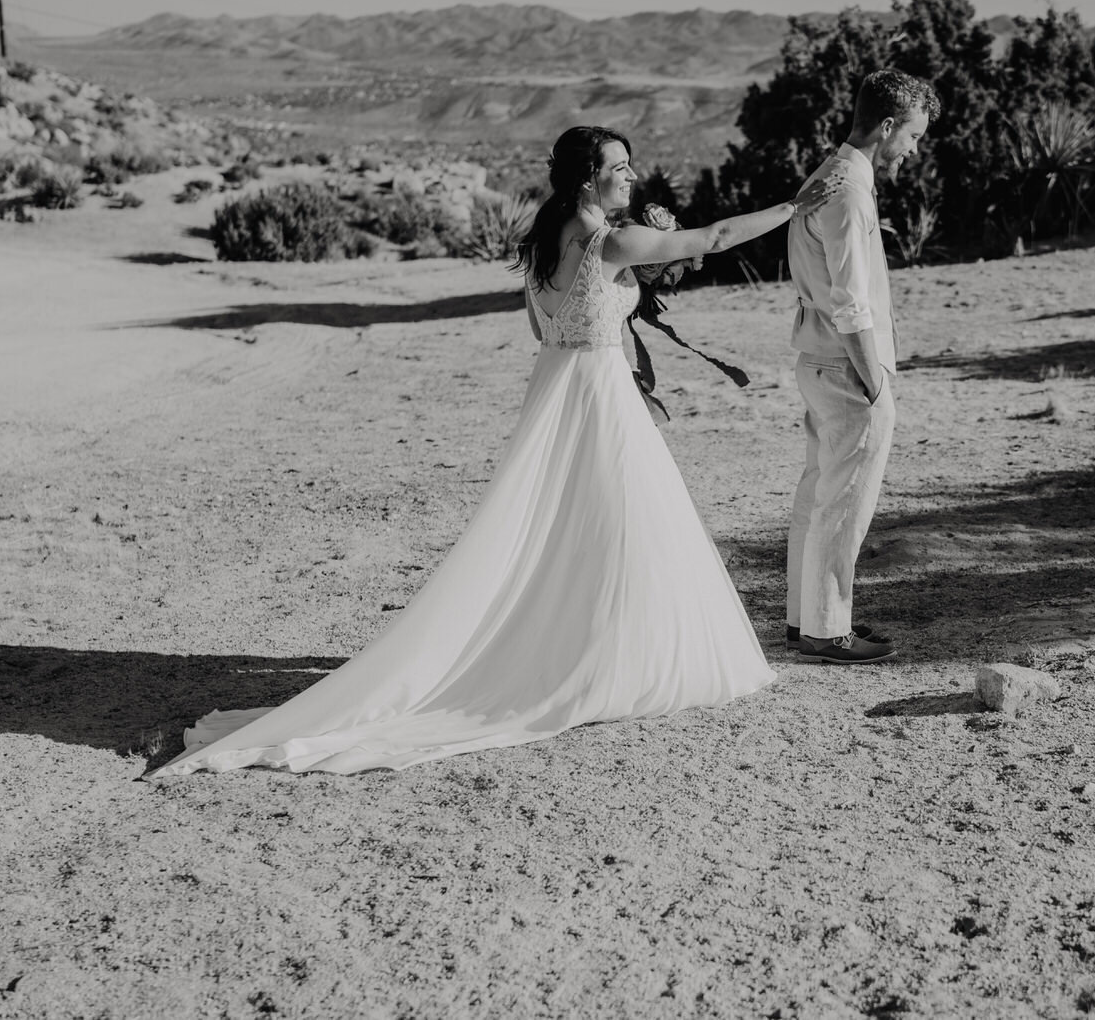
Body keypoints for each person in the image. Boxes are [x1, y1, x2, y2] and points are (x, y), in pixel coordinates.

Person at [148, 126, 842, 776]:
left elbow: (543, 326)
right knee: (621, 523)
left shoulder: (545, 241)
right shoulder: (608, 243)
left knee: (573, 526)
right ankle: (615, 660)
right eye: (618, 169)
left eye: (630, 166)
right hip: (598, 393)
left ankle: (596, 648)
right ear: (585, 181)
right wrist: (795, 202)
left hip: (559, 388)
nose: (631, 178)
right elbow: (716, 235)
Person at [785, 70, 940, 665]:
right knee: (844, 498)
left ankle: (808, 620)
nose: (914, 149)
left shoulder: (831, 174)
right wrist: (874, 381)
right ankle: (828, 629)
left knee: (817, 493)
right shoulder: (848, 187)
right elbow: (851, 299)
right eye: (914, 136)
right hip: (845, 365)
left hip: (817, 357)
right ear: (886, 126)